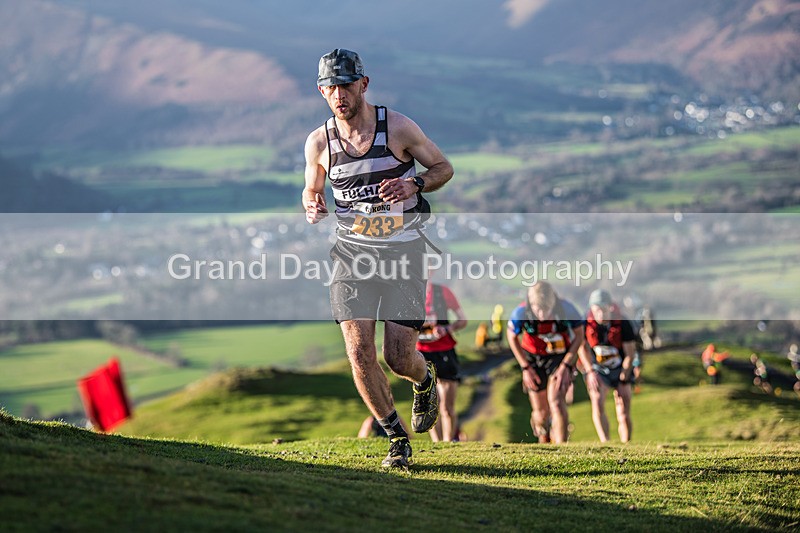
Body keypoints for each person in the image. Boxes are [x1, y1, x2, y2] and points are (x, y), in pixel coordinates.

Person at [303, 49, 454, 468]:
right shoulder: (319, 142)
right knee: (357, 350)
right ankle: (396, 438)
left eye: (346, 85)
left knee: (398, 357)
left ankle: (424, 381)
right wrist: (312, 203)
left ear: (363, 84)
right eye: (330, 88)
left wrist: (415, 185)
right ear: (321, 91)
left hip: (404, 254)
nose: (339, 95)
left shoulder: (399, 128)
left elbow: (444, 167)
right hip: (352, 258)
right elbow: (311, 188)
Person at [506, 281, 584, 443]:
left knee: (556, 402)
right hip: (533, 358)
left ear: (553, 304)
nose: (542, 315)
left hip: (559, 356)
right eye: (537, 309)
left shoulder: (566, 309)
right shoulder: (520, 313)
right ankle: (544, 441)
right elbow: (511, 337)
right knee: (540, 411)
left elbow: (579, 336)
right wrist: (525, 367)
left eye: (546, 310)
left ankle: (561, 448)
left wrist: (566, 365)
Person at [577, 289, 636, 443]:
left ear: (610, 307)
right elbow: (581, 347)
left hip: (621, 368)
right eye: (597, 310)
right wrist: (589, 371)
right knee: (597, 401)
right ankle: (605, 443)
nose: (600, 314)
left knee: (623, 410)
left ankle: (626, 445)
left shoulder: (623, 324)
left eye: (603, 309)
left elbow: (630, 354)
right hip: (598, 369)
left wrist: (624, 377)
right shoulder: (585, 324)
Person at [417, 278, 467, 442]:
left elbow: (463, 320)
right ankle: (437, 444)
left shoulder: (443, 292)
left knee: (446, 405)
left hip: (444, 350)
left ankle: (448, 442)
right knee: (429, 403)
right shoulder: (408, 293)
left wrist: (447, 328)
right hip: (420, 353)